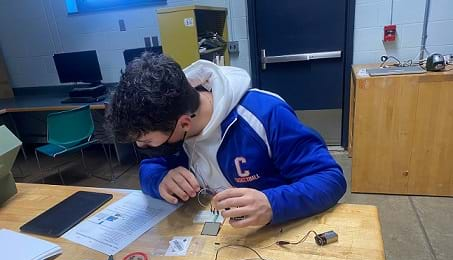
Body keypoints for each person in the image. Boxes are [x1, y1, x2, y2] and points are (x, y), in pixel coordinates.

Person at [106, 53, 346, 228]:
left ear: (184, 124)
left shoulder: (266, 114)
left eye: (147, 142)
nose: (142, 148)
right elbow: (150, 168)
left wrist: (273, 204)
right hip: (216, 231)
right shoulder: (169, 120)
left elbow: (330, 179)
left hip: (275, 230)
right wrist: (160, 179)